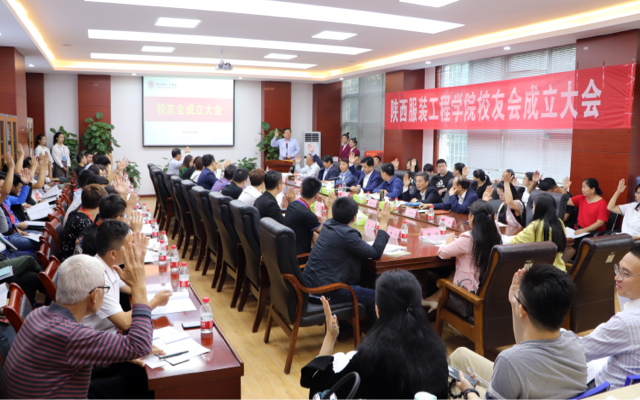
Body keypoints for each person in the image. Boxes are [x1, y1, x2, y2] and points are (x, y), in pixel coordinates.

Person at [0, 246, 154, 400]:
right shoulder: (72, 335)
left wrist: (116, 354)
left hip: (49, 390)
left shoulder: (38, 314)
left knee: (132, 373)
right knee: (141, 383)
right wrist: (138, 285)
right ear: (94, 295)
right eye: (105, 288)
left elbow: (71, 358)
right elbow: (141, 345)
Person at [301, 270, 449, 400]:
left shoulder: (369, 359)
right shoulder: (438, 353)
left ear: (377, 310)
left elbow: (319, 393)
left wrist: (330, 336)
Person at [451, 264, 586, 400]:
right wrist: (515, 303)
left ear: (522, 310)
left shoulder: (509, 362)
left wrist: (468, 390)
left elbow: (519, 358)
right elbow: (525, 348)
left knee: (453, 381)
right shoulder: (574, 342)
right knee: (460, 355)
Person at [303, 198, 391, 323]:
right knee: (379, 298)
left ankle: (348, 328)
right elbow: (375, 253)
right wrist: (383, 223)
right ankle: (380, 333)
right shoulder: (347, 234)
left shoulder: (327, 225)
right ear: (354, 218)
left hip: (310, 286)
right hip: (328, 292)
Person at [82, 222, 171, 332]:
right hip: (101, 338)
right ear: (113, 254)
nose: (133, 248)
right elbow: (124, 323)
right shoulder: (98, 279)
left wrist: (138, 259)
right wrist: (156, 302)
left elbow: (131, 288)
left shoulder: (109, 264)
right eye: (130, 245)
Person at [422, 200, 502, 311]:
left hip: (467, 299)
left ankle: (436, 303)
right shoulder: (496, 234)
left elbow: (443, 253)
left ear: (472, 218)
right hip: (488, 295)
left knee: (447, 276)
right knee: (454, 272)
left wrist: (448, 243)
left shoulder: (468, 238)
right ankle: (434, 299)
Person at [581, 244, 640, 390]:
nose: (616, 277)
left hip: (607, 392)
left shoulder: (625, 323)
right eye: (618, 269)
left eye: (625, 274)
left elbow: (577, 353)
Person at [509, 193, 567, 271]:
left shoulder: (535, 226)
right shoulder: (560, 223)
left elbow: (513, 243)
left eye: (533, 206)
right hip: (559, 270)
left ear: (538, 209)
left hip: (539, 272)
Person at [75, 194, 141, 257]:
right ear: (117, 218)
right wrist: (135, 232)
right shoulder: (102, 237)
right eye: (124, 215)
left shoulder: (91, 228)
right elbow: (125, 258)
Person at [563, 177, 610, 262]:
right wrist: (565, 189)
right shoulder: (581, 198)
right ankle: (558, 263)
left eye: (585, 187)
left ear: (593, 189)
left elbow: (600, 223)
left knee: (575, 242)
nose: (582, 189)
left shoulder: (602, 203)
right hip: (579, 230)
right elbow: (565, 201)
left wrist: (584, 230)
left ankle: (562, 264)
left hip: (592, 232)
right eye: (582, 187)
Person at [283, 177, 334, 255]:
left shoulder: (292, 204)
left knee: (315, 235)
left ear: (300, 191)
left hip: (287, 251)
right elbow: (327, 232)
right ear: (316, 195)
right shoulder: (307, 214)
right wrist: (329, 208)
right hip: (299, 256)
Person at [59, 184, 108, 261]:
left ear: (81, 199)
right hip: (71, 262)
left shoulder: (77, 213)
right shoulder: (83, 223)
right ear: (101, 205)